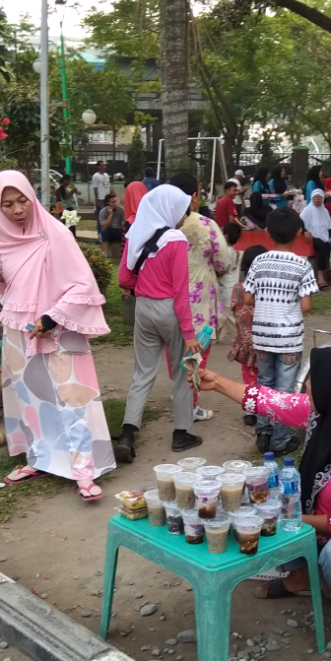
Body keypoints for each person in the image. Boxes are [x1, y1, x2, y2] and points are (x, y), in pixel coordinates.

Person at [193, 346, 331, 653]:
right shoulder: (325, 412)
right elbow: (269, 402)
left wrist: (292, 518)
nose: (307, 385)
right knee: (256, 506)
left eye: (313, 379)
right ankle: (301, 578)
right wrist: (216, 382)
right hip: (318, 525)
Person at [0, 172, 115, 502]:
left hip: (59, 328)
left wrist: (52, 317)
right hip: (18, 329)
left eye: (22, 200)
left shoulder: (54, 234)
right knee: (30, 398)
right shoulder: (4, 237)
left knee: (72, 399)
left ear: (32, 196)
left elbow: (83, 285)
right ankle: (41, 459)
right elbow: (14, 292)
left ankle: (84, 471)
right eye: (7, 204)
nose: (16, 210)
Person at [116, 185, 203, 463]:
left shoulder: (136, 233)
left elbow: (124, 279)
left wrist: (143, 285)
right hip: (169, 311)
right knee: (181, 372)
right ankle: (181, 433)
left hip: (143, 308)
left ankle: (127, 434)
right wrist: (189, 333)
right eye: (181, 211)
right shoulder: (176, 239)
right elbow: (181, 293)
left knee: (142, 373)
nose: (181, 217)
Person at [242, 208, 318, 454]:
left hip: (262, 335)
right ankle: (281, 441)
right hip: (289, 339)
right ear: (298, 232)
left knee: (264, 382)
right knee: (285, 389)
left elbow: (247, 299)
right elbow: (306, 305)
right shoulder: (302, 265)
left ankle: (263, 434)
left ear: (267, 232)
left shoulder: (258, 261)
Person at [168, 170, 231, 422]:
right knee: (196, 354)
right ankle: (190, 405)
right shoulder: (206, 225)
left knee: (174, 351)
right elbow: (223, 262)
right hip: (200, 300)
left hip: (168, 299)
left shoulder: (162, 225)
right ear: (194, 197)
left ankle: (179, 395)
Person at [228, 244, 267, 425]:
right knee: (265, 376)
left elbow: (235, 310)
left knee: (249, 377)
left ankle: (249, 411)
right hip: (265, 340)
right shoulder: (268, 288)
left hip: (244, 340)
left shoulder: (238, 288)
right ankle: (264, 410)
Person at [301, 187, 331, 288]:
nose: (318, 199)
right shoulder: (307, 210)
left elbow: (330, 227)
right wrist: (305, 232)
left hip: (324, 236)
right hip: (311, 237)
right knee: (321, 246)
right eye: (316, 197)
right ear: (312, 198)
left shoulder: (324, 211)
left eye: (320, 197)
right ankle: (320, 276)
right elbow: (300, 224)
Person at [218, 221, 243, 333]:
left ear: (226, 236)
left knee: (227, 314)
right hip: (229, 286)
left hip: (226, 288)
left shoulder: (225, 251)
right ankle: (218, 336)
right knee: (222, 312)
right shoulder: (232, 250)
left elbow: (222, 269)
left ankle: (242, 334)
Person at [91, 161, 110, 240]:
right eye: (102, 166)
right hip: (101, 199)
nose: (104, 167)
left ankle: (107, 234)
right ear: (98, 167)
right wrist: (97, 200)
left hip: (107, 199)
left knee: (108, 217)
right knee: (100, 218)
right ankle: (100, 236)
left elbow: (108, 186)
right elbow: (95, 188)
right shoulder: (96, 176)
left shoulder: (106, 175)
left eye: (105, 165)